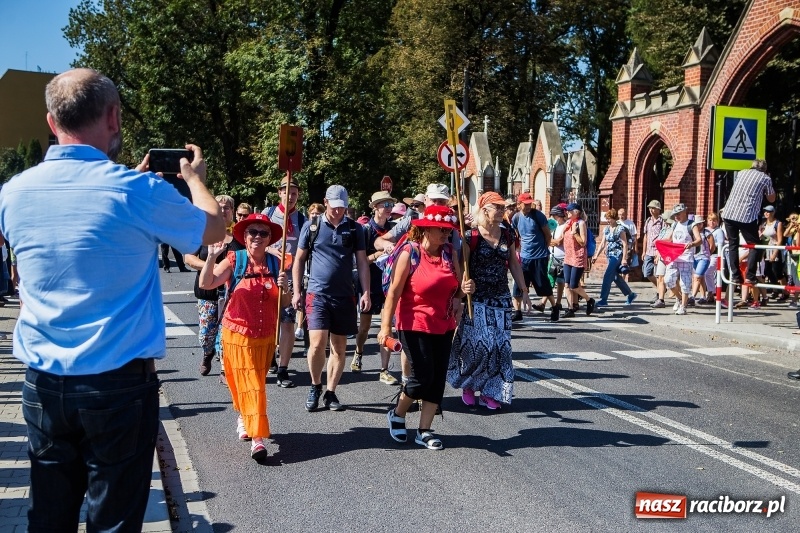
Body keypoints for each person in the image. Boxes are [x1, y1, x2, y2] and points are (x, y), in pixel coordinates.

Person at [0, 68, 225, 531]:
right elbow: (214, 229)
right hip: (116, 385)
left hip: (43, 383)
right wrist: (194, 177)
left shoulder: (12, 192)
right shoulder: (137, 191)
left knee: (48, 517)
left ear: (50, 121)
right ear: (114, 116)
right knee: (114, 522)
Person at [379, 205, 474, 449]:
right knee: (422, 378)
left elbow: (456, 287)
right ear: (426, 230)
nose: (446, 234)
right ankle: (397, 413)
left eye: (448, 230)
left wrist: (462, 293)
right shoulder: (410, 253)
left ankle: (424, 430)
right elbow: (393, 294)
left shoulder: (450, 253)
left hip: (443, 323)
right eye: (441, 230)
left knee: (437, 379)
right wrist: (385, 328)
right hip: (414, 323)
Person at [199, 214, 290, 460]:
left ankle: (243, 416)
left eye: (263, 233)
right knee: (253, 386)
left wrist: (285, 287)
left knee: (252, 383)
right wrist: (209, 258)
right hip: (237, 334)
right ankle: (258, 439)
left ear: (270, 238)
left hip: (265, 335)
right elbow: (206, 283)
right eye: (253, 232)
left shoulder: (276, 264)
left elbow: (287, 303)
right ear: (245, 236)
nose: (257, 237)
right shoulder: (234, 260)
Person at [292, 185, 370, 412]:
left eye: (342, 207)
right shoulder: (311, 226)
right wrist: (297, 291)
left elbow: (363, 263)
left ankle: (331, 392)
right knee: (316, 344)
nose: (338, 211)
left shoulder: (356, 229)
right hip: (317, 294)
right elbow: (298, 260)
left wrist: (365, 291)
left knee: (339, 346)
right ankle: (315, 385)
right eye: (335, 207)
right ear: (325, 202)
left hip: (345, 295)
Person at [447, 193, 527, 410]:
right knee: (479, 346)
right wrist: (461, 290)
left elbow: (513, 263)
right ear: (484, 210)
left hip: (500, 299)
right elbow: (461, 265)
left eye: (503, 208)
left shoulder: (507, 234)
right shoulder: (470, 236)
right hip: (477, 298)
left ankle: (491, 391)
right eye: (497, 208)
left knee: (500, 348)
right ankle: (469, 386)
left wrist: (523, 289)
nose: (502, 211)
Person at [184, 194, 242, 376]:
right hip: (207, 292)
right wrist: (214, 266)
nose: (223, 211)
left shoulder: (239, 236)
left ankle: (226, 371)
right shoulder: (202, 233)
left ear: (232, 211)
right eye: (219, 207)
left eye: (227, 208)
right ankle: (208, 353)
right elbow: (189, 258)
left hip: (231, 294)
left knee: (227, 334)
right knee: (205, 336)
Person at [263, 174, 306, 387]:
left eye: (295, 194)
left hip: (289, 278)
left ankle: (283, 369)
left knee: (287, 322)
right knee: (268, 322)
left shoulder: (302, 220)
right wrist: (272, 249)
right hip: (267, 274)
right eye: (287, 192)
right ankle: (268, 357)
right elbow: (255, 241)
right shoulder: (268, 214)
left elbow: (305, 250)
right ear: (279, 192)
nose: (290, 197)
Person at [353, 190, 400, 385]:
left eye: (390, 205)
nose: (389, 209)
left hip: (389, 285)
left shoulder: (394, 229)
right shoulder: (365, 230)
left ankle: (384, 369)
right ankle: (358, 353)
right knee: (364, 329)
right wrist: (379, 253)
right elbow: (360, 261)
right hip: (369, 284)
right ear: (375, 207)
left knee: (386, 326)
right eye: (384, 205)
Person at [722, 159, 776, 286]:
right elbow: (771, 199)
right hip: (746, 215)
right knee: (754, 245)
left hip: (728, 213)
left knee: (733, 244)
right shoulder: (765, 178)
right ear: (764, 169)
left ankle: (735, 275)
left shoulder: (742, 172)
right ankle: (750, 276)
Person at [513, 192, 557, 318]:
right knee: (519, 284)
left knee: (542, 283)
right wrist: (518, 249)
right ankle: (518, 311)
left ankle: (554, 307)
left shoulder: (538, 216)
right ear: (519, 204)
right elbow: (516, 235)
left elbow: (547, 235)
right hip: (524, 256)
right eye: (525, 204)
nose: (528, 206)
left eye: (529, 204)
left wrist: (545, 248)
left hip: (539, 256)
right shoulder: (516, 218)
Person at [659, 204, 702, 315]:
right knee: (668, 280)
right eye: (674, 215)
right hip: (674, 256)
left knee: (685, 282)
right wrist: (660, 244)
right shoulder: (674, 225)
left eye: (678, 214)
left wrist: (692, 244)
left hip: (686, 258)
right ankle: (679, 298)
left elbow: (699, 240)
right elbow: (670, 239)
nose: (676, 217)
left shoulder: (691, 225)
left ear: (684, 212)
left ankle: (683, 306)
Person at [592, 208, 636, 307]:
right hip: (609, 254)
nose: (608, 220)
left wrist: (624, 258)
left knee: (607, 275)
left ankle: (603, 299)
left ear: (615, 218)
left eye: (610, 218)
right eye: (607, 218)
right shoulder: (606, 229)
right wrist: (596, 256)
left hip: (617, 255)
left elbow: (624, 244)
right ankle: (630, 294)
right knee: (615, 277)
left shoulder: (620, 229)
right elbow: (603, 243)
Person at [561, 203, 596, 317]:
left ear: (577, 212)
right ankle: (570, 309)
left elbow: (583, 242)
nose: (568, 212)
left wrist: (575, 233)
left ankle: (589, 300)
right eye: (567, 211)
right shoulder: (568, 223)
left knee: (573, 285)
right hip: (568, 257)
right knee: (566, 285)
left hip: (578, 257)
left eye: (570, 211)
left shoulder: (581, 224)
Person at [642, 200, 664, 300]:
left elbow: (664, 236)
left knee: (659, 274)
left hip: (658, 251)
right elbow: (645, 236)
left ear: (658, 209)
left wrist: (660, 251)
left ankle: (660, 292)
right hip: (649, 251)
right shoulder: (648, 221)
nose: (651, 210)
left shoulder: (662, 221)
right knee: (647, 272)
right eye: (650, 208)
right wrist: (643, 251)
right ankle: (661, 289)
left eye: (653, 208)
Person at [617, 207, 638, 282]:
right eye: (619, 214)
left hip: (628, 247)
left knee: (625, 262)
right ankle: (620, 278)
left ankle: (622, 279)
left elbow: (635, 236)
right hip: (618, 246)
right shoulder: (617, 223)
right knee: (618, 262)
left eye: (622, 214)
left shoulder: (630, 223)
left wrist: (635, 247)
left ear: (625, 214)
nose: (621, 216)